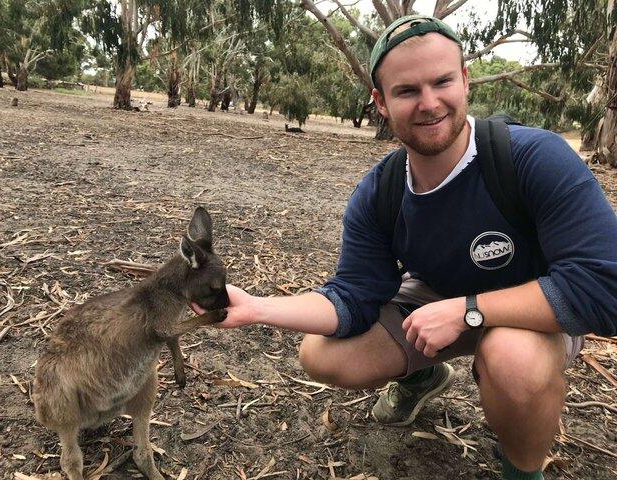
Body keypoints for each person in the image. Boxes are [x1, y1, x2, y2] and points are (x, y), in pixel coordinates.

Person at [194, 15, 617, 480]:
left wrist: (469, 310)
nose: (429, 103)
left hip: (535, 308)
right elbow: (353, 298)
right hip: (440, 300)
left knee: (511, 358)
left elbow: (604, 289)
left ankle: (522, 471)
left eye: (442, 82)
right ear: (380, 101)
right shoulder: (383, 192)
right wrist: (256, 308)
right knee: (322, 354)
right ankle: (422, 376)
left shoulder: (534, 158)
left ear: (465, 80)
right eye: (407, 90)